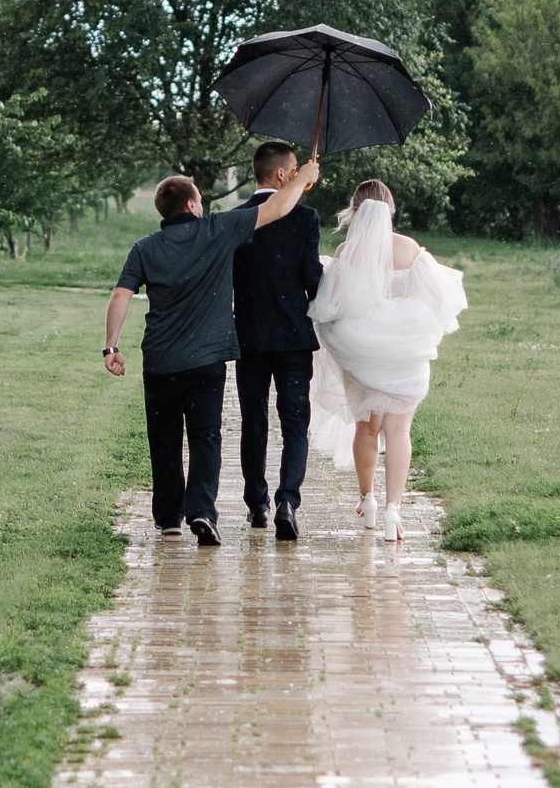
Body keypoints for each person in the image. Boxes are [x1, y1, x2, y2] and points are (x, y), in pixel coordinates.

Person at [105, 156, 321, 545]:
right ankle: (202, 511)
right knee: (205, 437)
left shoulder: (145, 247)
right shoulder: (217, 230)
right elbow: (275, 207)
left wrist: (111, 346)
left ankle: (169, 517)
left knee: (164, 438)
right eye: (200, 199)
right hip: (206, 361)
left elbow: (122, 293)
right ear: (190, 205)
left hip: (159, 361)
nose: (203, 204)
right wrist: (303, 178)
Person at [310, 178, 466, 543]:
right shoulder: (410, 249)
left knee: (367, 428)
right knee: (399, 431)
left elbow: (331, 306)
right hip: (404, 351)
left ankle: (368, 502)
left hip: (362, 351)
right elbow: (437, 301)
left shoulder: (349, 252)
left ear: (355, 210)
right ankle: (394, 510)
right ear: (391, 209)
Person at [231, 141, 323, 541]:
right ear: (284, 174)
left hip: (248, 336)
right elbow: (311, 278)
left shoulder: (233, 218)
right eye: (297, 169)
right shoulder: (305, 218)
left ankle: (257, 505)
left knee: (253, 421)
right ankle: (288, 499)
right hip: (292, 336)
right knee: (295, 422)